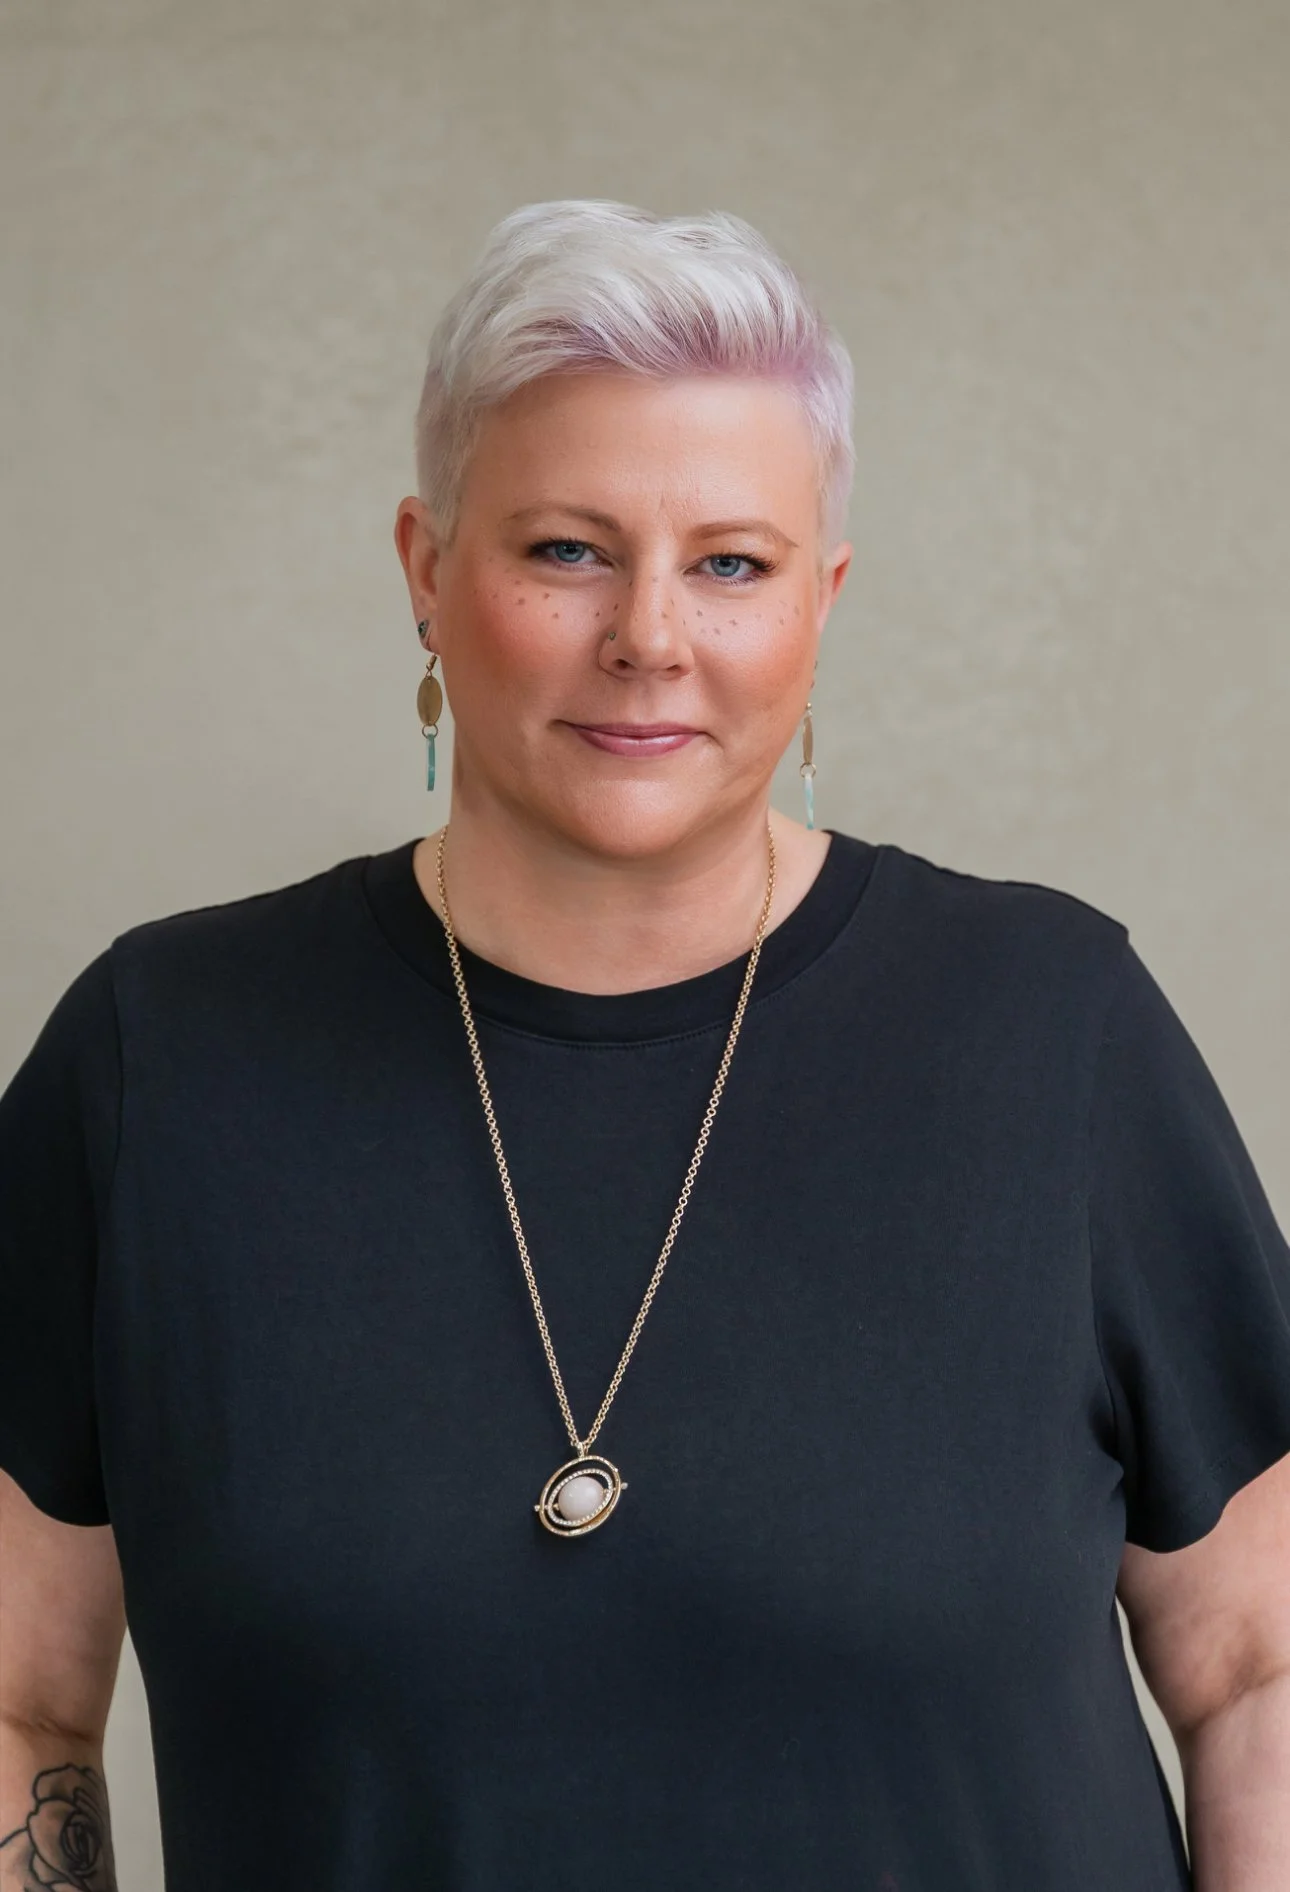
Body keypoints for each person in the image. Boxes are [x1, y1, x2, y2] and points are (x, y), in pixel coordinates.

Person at [2, 198, 1288, 1892]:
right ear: (424, 569)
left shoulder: (1056, 1028)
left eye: (731, 563)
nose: (651, 637)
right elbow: (21, 1696)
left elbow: (1257, 1669)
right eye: (565, 550)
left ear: (819, 605)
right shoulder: (156, 1062)